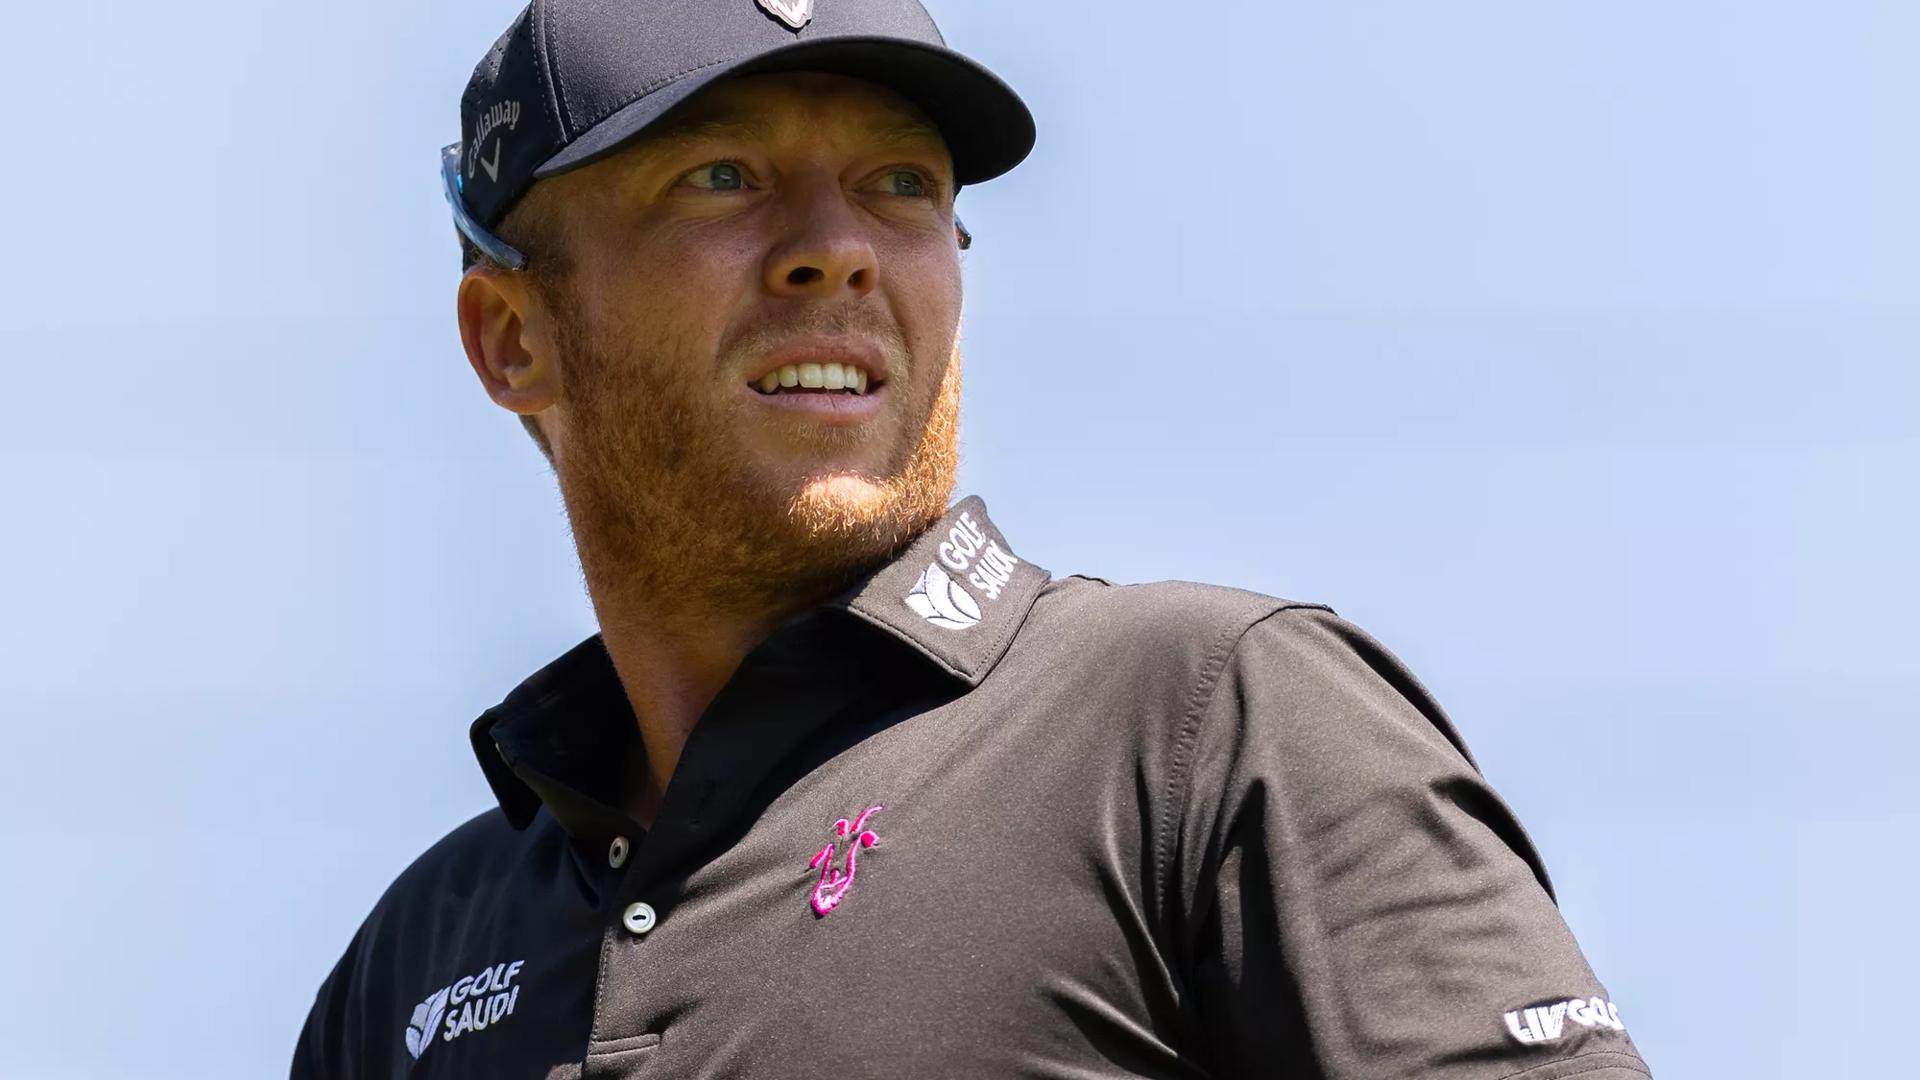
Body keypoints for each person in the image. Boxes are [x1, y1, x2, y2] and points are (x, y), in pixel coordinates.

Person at [292, 1, 1654, 1077]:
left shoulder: (1209, 719)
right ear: (514, 337)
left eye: (899, 183)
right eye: (721, 178)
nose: (838, 251)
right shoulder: (416, 960)